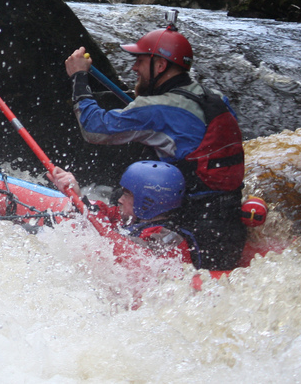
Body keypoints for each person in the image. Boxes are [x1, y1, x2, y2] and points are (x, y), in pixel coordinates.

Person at [64, 23, 246, 270]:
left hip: (189, 230)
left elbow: (94, 129)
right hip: (229, 223)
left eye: (140, 61)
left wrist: (78, 77)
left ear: (160, 66)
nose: (133, 67)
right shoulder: (214, 98)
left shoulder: (158, 108)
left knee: (123, 194)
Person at [48, 161, 197, 266]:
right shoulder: (132, 219)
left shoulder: (169, 240)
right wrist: (78, 196)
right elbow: (103, 214)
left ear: (147, 201)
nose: (119, 199)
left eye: (126, 195)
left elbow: (131, 255)